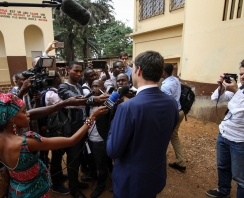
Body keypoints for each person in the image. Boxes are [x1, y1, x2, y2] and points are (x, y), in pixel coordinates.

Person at [0, 81, 96, 197]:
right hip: (33, 191)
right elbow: (71, 141)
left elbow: (6, 110)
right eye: (24, 112)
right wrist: (91, 118)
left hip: (15, 190)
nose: (28, 114)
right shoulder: (27, 142)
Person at [106, 51, 179, 198]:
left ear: (138, 70)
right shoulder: (172, 103)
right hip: (155, 177)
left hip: (131, 183)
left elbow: (113, 150)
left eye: (132, 69)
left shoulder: (128, 108)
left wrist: (112, 128)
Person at [58, 61, 109, 198]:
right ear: (68, 70)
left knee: (80, 158)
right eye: (76, 71)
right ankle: (74, 189)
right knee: (73, 158)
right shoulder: (63, 87)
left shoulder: (80, 86)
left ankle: (76, 182)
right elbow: (76, 100)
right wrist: (95, 99)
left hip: (85, 127)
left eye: (81, 71)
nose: (79, 74)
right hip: (72, 130)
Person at [206, 60, 244, 198]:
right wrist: (221, 87)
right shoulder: (240, 87)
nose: (243, 76)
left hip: (240, 141)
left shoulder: (238, 90)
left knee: (241, 178)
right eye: (241, 74)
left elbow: (238, 109)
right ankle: (223, 190)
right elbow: (217, 98)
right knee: (222, 166)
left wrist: (235, 91)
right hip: (225, 134)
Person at [161, 63, 186, 172]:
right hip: (180, 111)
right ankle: (181, 162)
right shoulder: (175, 79)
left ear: (164, 72)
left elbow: (167, 104)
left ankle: (159, 161)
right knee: (173, 135)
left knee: (164, 135)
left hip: (173, 113)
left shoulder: (165, 86)